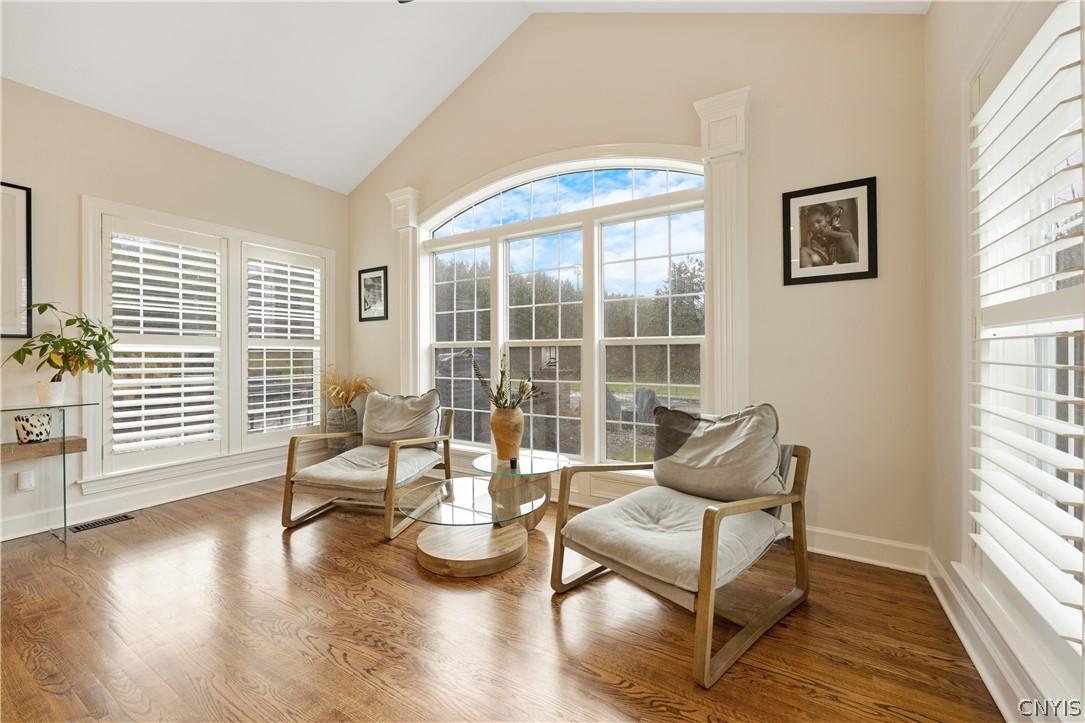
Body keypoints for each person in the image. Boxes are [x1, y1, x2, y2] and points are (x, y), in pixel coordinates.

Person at [799, 202, 858, 267]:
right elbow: (811, 252)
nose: (815, 226)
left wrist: (830, 232)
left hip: (839, 259)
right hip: (824, 262)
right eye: (811, 225)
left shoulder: (836, 228)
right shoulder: (811, 236)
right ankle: (808, 274)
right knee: (803, 250)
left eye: (818, 221)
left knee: (846, 238)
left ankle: (855, 267)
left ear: (828, 218)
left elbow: (848, 236)